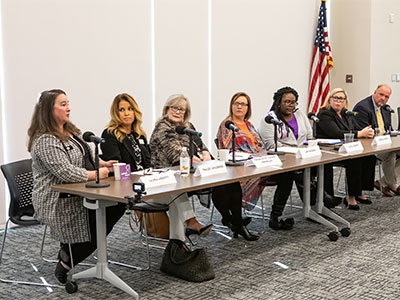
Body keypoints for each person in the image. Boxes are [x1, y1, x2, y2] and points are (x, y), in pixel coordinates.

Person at [27, 89, 125, 284]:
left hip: (76, 192)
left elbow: (85, 158)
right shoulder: (45, 140)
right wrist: (97, 175)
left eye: (68, 103)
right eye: (63, 104)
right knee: (97, 218)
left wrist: (103, 164)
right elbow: (65, 172)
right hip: (56, 199)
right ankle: (67, 260)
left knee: (116, 205)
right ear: (48, 110)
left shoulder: (71, 131)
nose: (68, 108)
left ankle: (70, 251)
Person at [100, 93, 209, 242]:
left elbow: (148, 163)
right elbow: (116, 166)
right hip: (130, 190)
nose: (126, 113)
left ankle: (178, 244)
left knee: (175, 192)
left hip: (148, 185)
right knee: (175, 193)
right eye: (122, 110)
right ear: (115, 112)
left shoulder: (138, 135)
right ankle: (188, 227)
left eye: (130, 109)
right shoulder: (109, 135)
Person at [150, 94, 258, 240]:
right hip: (170, 177)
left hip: (192, 173)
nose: (178, 112)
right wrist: (193, 158)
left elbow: (200, 144)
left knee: (229, 181)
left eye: (182, 109)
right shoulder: (162, 128)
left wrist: (206, 153)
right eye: (174, 108)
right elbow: (175, 155)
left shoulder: (188, 126)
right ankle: (226, 221)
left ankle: (235, 221)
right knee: (212, 185)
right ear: (166, 109)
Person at [217, 91, 294, 230]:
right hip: (242, 168)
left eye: (243, 104)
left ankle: (275, 216)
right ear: (231, 106)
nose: (239, 107)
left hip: (259, 164)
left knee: (287, 174)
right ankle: (236, 216)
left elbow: (260, 145)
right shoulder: (227, 125)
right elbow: (228, 150)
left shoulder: (249, 125)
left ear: (248, 108)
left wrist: (262, 156)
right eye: (236, 103)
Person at [258, 86, 342, 212]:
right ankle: (318, 200)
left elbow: (309, 136)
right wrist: (296, 150)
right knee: (295, 173)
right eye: (286, 102)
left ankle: (321, 203)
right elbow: (271, 146)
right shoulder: (269, 120)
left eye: (293, 102)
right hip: (282, 161)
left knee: (325, 165)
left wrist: (307, 148)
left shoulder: (299, 114)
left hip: (302, 156)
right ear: (278, 102)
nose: (291, 105)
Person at [317, 88, 376, 210]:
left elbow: (354, 128)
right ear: (330, 100)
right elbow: (335, 133)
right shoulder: (325, 113)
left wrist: (367, 131)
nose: (338, 101)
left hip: (345, 148)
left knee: (369, 157)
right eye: (335, 98)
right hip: (329, 151)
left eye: (341, 99)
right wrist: (360, 133)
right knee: (355, 159)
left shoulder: (345, 114)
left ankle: (359, 191)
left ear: (345, 101)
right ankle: (351, 196)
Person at [353, 84, 400, 197]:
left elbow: (388, 129)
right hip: (369, 146)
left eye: (386, 97)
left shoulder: (384, 108)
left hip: (384, 143)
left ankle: (383, 182)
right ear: (375, 93)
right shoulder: (363, 107)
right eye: (381, 95)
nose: (383, 98)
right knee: (391, 153)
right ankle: (393, 184)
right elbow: (364, 133)